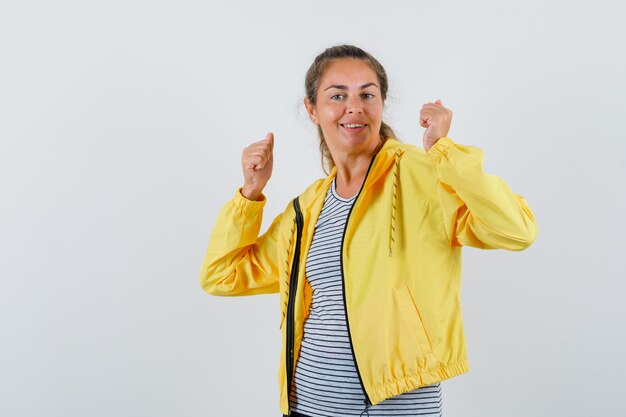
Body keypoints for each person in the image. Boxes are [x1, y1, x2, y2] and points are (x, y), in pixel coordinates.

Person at [199, 44, 538, 417]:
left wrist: (445, 150)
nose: (354, 107)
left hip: (397, 405)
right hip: (307, 405)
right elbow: (222, 275)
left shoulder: (420, 173)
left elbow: (516, 229)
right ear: (312, 109)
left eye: (367, 94)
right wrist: (250, 194)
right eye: (337, 95)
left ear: (381, 104)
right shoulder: (307, 208)